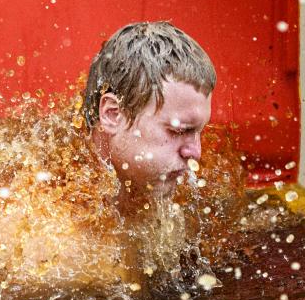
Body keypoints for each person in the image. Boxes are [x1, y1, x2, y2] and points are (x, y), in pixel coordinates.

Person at [81, 22, 217, 204]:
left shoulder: (194, 192)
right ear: (113, 114)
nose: (195, 152)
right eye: (178, 130)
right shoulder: (44, 199)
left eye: (200, 131)